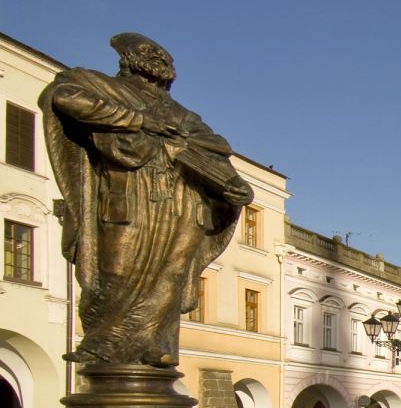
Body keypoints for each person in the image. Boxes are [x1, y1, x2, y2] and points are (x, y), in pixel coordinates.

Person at [40, 33, 253, 383]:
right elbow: (65, 98)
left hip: (181, 201)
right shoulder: (99, 85)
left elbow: (216, 146)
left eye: (164, 56)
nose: (159, 59)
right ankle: (104, 343)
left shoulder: (181, 113)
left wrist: (232, 185)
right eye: (149, 53)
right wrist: (140, 121)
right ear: (127, 58)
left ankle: (155, 341)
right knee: (117, 268)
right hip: (129, 195)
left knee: (172, 274)